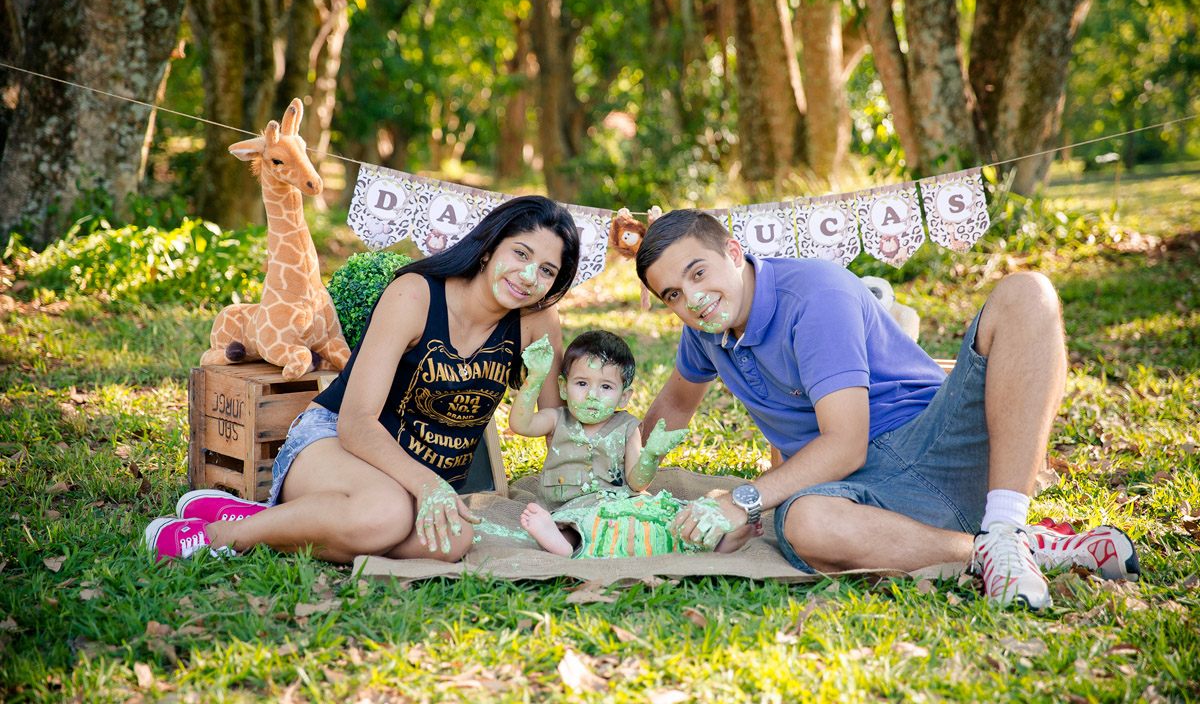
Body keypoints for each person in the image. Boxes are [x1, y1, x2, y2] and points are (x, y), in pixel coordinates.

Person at [635, 209, 1139, 610]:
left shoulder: (813, 294)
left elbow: (845, 442)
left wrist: (743, 499)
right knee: (803, 524)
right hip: (868, 495)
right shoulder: (706, 333)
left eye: (698, 272)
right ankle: (1014, 551)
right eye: (674, 295)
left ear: (733, 250)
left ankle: (1007, 525)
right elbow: (676, 404)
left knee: (1028, 292)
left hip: (938, 442)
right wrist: (628, 474)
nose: (694, 299)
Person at [145, 195, 581, 564]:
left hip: (411, 479)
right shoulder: (415, 295)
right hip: (337, 440)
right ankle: (222, 537)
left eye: (546, 270)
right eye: (521, 254)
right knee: (385, 516)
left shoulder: (537, 322)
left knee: (453, 541)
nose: (529, 277)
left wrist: (587, 498)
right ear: (489, 248)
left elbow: (556, 422)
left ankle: (262, 516)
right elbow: (356, 422)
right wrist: (428, 484)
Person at [512, 329, 712, 557]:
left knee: (650, 514)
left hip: (612, 505)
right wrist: (535, 379)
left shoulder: (627, 427)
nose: (592, 395)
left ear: (624, 397)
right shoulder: (557, 419)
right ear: (563, 387)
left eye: (605, 387)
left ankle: (689, 536)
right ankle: (560, 540)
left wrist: (651, 455)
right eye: (581, 383)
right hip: (566, 508)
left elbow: (637, 484)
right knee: (573, 523)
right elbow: (521, 425)